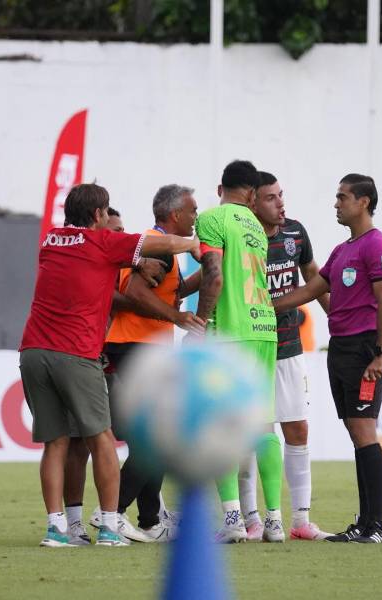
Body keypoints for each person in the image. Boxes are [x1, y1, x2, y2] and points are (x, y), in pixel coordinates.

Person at [19, 183, 201, 547]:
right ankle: (109, 526)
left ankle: (59, 528)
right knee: (101, 439)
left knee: (55, 443)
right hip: (76, 352)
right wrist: (195, 245)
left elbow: (97, 269)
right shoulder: (103, 244)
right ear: (100, 215)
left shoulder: (51, 241)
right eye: (107, 216)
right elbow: (163, 243)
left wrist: (135, 261)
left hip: (33, 351)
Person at [78, 184, 204, 543]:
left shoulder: (159, 247)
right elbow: (133, 292)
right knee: (157, 442)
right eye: (192, 211)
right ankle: (110, 513)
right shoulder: (158, 247)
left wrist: (212, 268)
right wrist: (176, 319)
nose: (196, 217)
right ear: (176, 214)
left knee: (150, 441)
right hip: (136, 348)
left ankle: (149, 519)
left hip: (137, 347)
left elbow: (168, 292)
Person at [273, 173, 382, 544]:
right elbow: (313, 288)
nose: (336, 203)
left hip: (364, 349)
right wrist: (266, 304)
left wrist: (381, 352)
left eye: (342, 197)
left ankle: (376, 526)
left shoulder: (377, 245)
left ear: (364, 201)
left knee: (364, 431)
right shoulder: (344, 250)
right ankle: (365, 521)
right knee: (356, 433)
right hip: (340, 348)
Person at [193, 160, 283, 543]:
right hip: (264, 328)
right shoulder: (257, 229)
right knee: (263, 424)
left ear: (221, 188)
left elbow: (215, 276)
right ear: (250, 193)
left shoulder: (212, 219)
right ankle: (275, 521)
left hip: (229, 333)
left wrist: (200, 322)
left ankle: (232, 519)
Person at [239, 171, 331, 541]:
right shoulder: (240, 236)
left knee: (297, 428)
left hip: (288, 346)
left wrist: (336, 319)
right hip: (248, 348)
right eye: (271, 198)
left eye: (281, 196)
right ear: (252, 202)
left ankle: (301, 521)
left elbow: (313, 276)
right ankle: (251, 519)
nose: (280, 204)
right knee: (247, 435)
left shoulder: (295, 233)